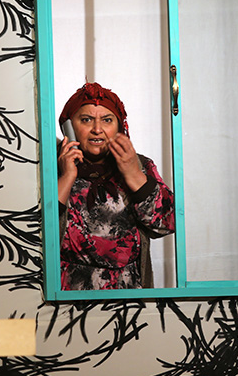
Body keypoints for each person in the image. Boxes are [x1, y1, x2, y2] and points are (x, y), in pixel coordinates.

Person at [57, 82, 175, 290]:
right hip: (68, 298)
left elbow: (167, 224)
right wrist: (67, 176)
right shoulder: (50, 166)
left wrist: (133, 174)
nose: (97, 129)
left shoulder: (139, 165)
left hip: (130, 298)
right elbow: (33, 234)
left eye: (107, 120)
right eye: (86, 120)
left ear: (120, 127)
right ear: (69, 127)